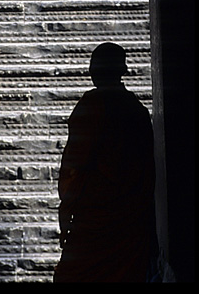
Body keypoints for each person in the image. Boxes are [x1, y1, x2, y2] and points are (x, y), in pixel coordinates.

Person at [54, 42, 157, 283]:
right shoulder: (137, 110)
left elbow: (74, 168)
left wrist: (67, 209)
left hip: (94, 218)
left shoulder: (91, 108)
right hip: (130, 220)